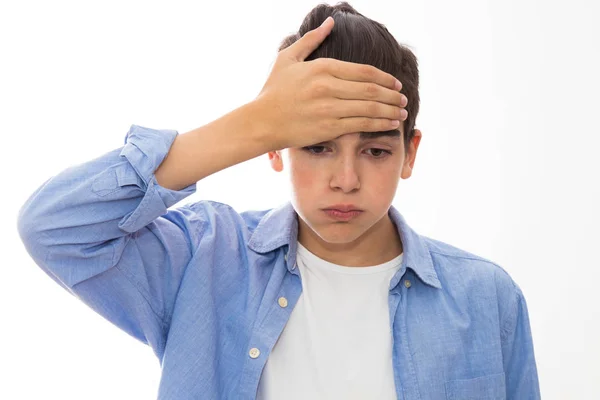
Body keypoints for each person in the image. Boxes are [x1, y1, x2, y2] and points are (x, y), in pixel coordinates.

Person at [17, 2, 540, 399]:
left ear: (410, 152)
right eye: (317, 146)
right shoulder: (204, 259)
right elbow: (53, 227)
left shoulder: (486, 298)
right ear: (276, 147)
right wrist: (256, 121)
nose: (346, 179)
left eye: (376, 150)